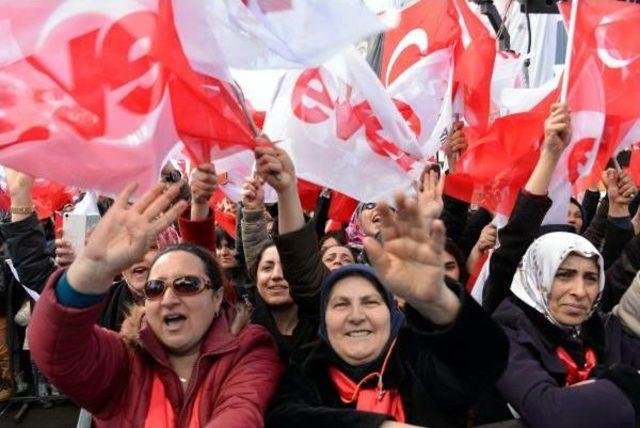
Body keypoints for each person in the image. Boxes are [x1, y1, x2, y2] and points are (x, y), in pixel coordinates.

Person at [28, 183, 283, 427]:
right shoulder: (125, 357)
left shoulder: (250, 350)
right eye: (155, 288)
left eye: (187, 284)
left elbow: (241, 414)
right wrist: (90, 273)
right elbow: (57, 352)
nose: (169, 299)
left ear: (217, 298)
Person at [267, 192, 509, 428]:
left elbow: (485, 362)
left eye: (370, 302)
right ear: (323, 319)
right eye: (341, 304)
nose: (356, 316)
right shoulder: (307, 368)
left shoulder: (417, 357)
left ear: (391, 311)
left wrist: (437, 300)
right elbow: (284, 418)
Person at [492, 232, 640, 427]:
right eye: (563, 275)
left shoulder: (605, 329)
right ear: (537, 276)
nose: (579, 291)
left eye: (591, 278)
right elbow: (550, 413)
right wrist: (625, 383)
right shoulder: (502, 337)